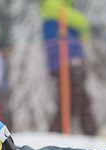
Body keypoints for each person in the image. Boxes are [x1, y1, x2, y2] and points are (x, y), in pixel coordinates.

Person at [40, 0, 97, 136]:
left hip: (66, 61)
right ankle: (58, 133)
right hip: (66, 61)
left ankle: (59, 133)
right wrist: (82, 34)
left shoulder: (58, 7)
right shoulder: (53, 5)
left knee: (73, 99)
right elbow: (82, 22)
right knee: (76, 99)